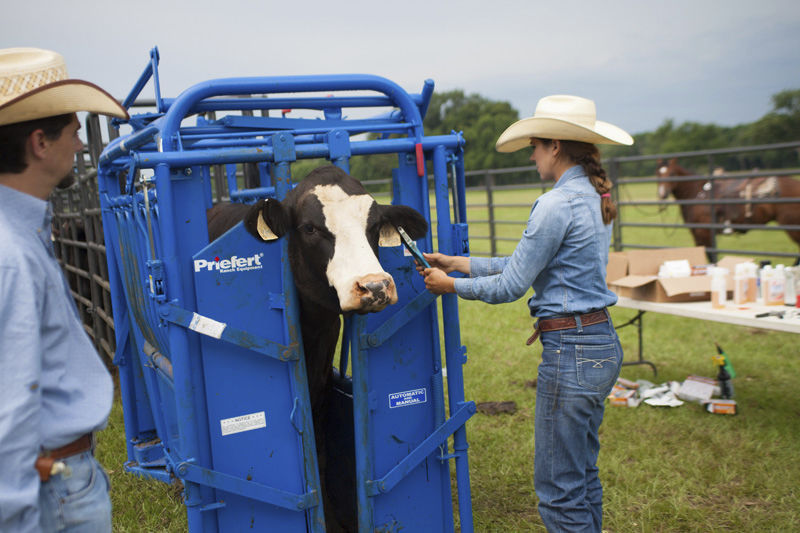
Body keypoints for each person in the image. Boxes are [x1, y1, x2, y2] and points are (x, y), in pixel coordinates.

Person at [420, 95, 633, 532]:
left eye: (535, 145)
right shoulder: (593, 197)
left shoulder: (554, 204)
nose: (532, 154)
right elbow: (530, 263)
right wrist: (460, 263)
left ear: (555, 146)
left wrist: (450, 286)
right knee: (581, 474)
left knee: (557, 489)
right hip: (599, 344)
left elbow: (512, 285)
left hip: (571, 351)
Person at [0, 47, 128, 532]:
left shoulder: (25, 233)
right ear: (39, 142)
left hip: (57, 476)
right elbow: (10, 402)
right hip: (51, 486)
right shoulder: (10, 255)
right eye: (74, 131)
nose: (79, 144)